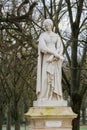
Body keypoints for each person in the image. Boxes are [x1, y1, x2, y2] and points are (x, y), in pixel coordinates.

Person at [36, 19, 64, 101]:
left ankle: (54, 95)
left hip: (55, 60)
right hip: (46, 58)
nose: (47, 26)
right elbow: (43, 47)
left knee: (55, 77)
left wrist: (55, 56)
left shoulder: (56, 36)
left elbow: (60, 48)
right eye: (45, 25)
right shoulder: (42, 36)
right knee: (45, 77)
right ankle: (44, 96)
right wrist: (54, 54)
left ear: (51, 25)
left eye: (49, 25)